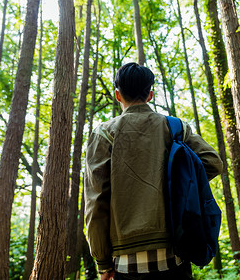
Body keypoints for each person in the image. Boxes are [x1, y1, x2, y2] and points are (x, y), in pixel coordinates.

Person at [84, 62, 223, 280]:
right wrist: (177, 181)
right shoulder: (175, 127)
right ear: (150, 94)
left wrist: (102, 261)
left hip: (125, 263)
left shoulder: (103, 134)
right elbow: (212, 162)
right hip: (175, 253)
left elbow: (96, 202)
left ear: (118, 95)